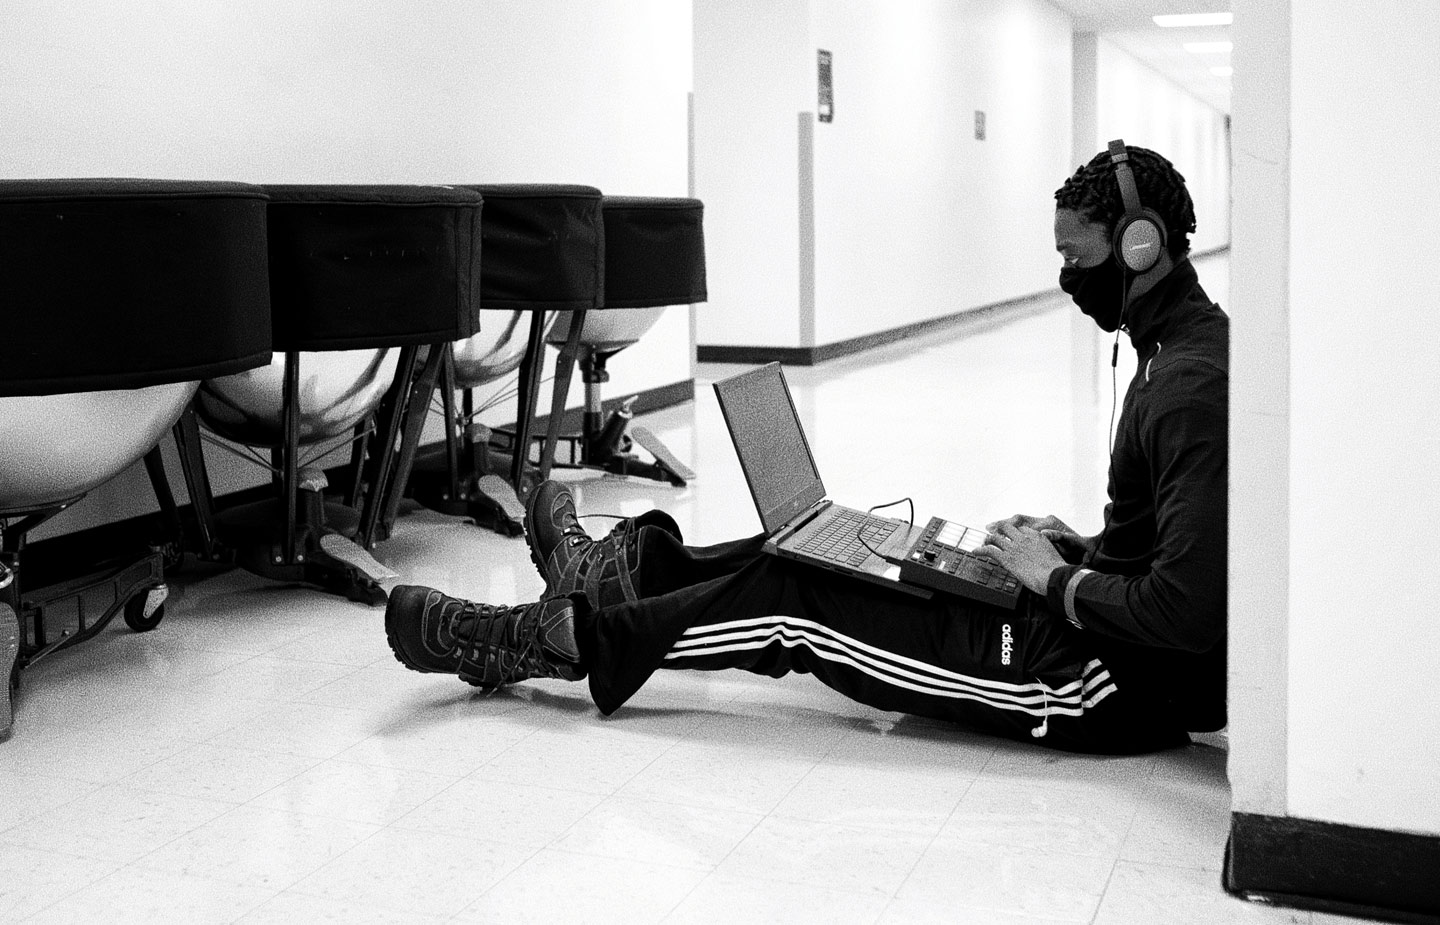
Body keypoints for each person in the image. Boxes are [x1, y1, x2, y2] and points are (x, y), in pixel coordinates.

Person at [383, 144, 1229, 755]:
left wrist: (1054, 579)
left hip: (1092, 683)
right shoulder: (1173, 349)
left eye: (1076, 256)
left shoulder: (1189, 386)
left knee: (798, 605)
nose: (1069, 276)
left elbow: (1186, 614)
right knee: (822, 546)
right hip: (1084, 628)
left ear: (1139, 245)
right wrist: (1072, 547)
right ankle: (617, 577)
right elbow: (1166, 546)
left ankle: (545, 640)